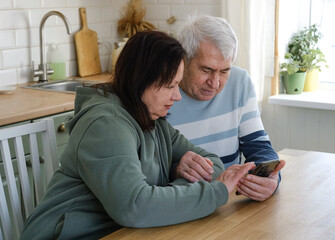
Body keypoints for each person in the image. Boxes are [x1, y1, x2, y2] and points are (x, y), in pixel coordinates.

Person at [20, 31, 256, 240]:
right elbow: (135, 206)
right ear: (141, 81)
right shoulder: (105, 125)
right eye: (170, 86)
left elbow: (212, 163)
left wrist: (175, 170)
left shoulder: (153, 120)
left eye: (177, 84)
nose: (177, 96)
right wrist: (217, 191)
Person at [167, 15, 285, 202]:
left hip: (226, 205)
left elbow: (259, 146)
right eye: (206, 70)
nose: (214, 83)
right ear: (184, 60)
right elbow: (147, 171)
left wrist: (271, 179)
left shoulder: (240, 82)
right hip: (182, 203)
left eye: (224, 71)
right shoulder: (160, 92)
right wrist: (174, 169)